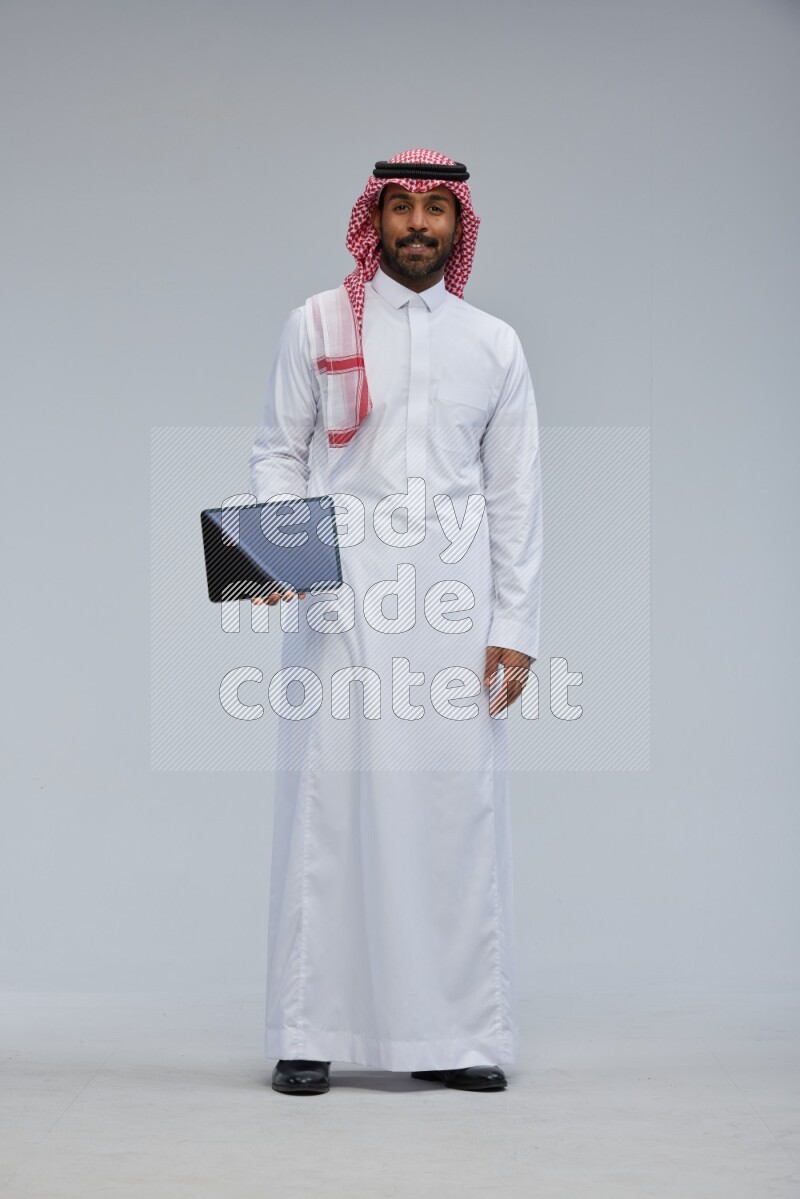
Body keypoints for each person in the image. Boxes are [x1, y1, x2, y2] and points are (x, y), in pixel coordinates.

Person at [248, 149, 543, 1095]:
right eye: (402, 208)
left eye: (435, 211)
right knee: (330, 809)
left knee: (454, 813)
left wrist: (516, 625)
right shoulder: (319, 321)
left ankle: (453, 1036)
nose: (418, 225)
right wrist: (285, 563)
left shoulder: (494, 344)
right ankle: (308, 1027)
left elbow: (516, 497)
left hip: (455, 608)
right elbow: (277, 454)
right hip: (345, 595)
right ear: (373, 220)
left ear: (460, 227)